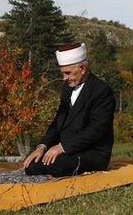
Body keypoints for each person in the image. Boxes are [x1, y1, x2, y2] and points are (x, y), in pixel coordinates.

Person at [22, 43, 116, 177]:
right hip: (67, 149)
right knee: (32, 165)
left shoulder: (102, 91)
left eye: (68, 73)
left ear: (82, 68)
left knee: (51, 167)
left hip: (93, 153)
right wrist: (42, 146)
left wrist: (62, 147)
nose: (64, 78)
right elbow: (57, 122)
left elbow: (96, 130)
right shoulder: (67, 88)